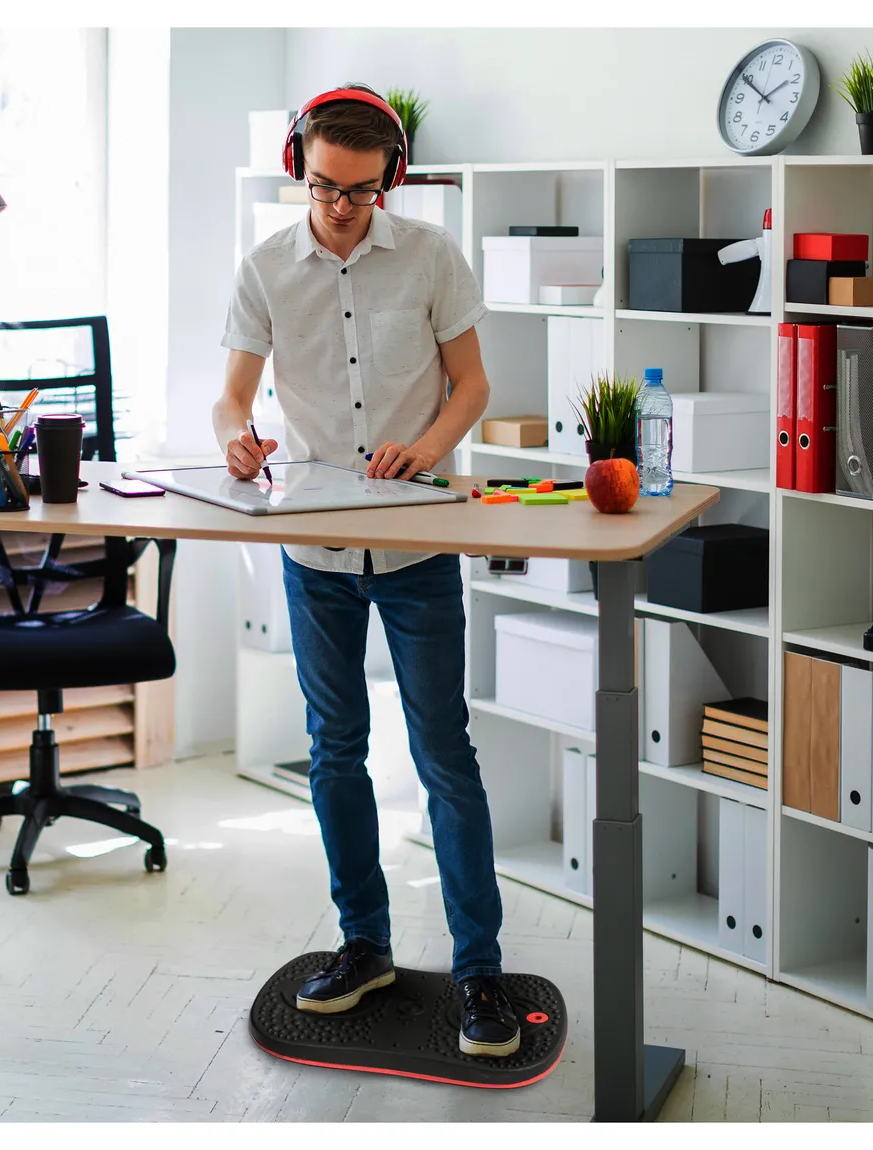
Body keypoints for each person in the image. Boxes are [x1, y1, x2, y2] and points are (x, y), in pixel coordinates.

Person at [213, 84, 519, 1058]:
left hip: (418, 546)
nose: (339, 208)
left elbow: (471, 383)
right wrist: (238, 441)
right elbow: (230, 399)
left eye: (358, 190)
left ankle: (478, 970)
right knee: (333, 748)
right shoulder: (264, 268)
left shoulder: (431, 254)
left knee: (443, 753)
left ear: (388, 177)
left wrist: (424, 449)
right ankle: (365, 945)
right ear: (298, 167)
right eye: (322, 187)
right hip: (315, 551)